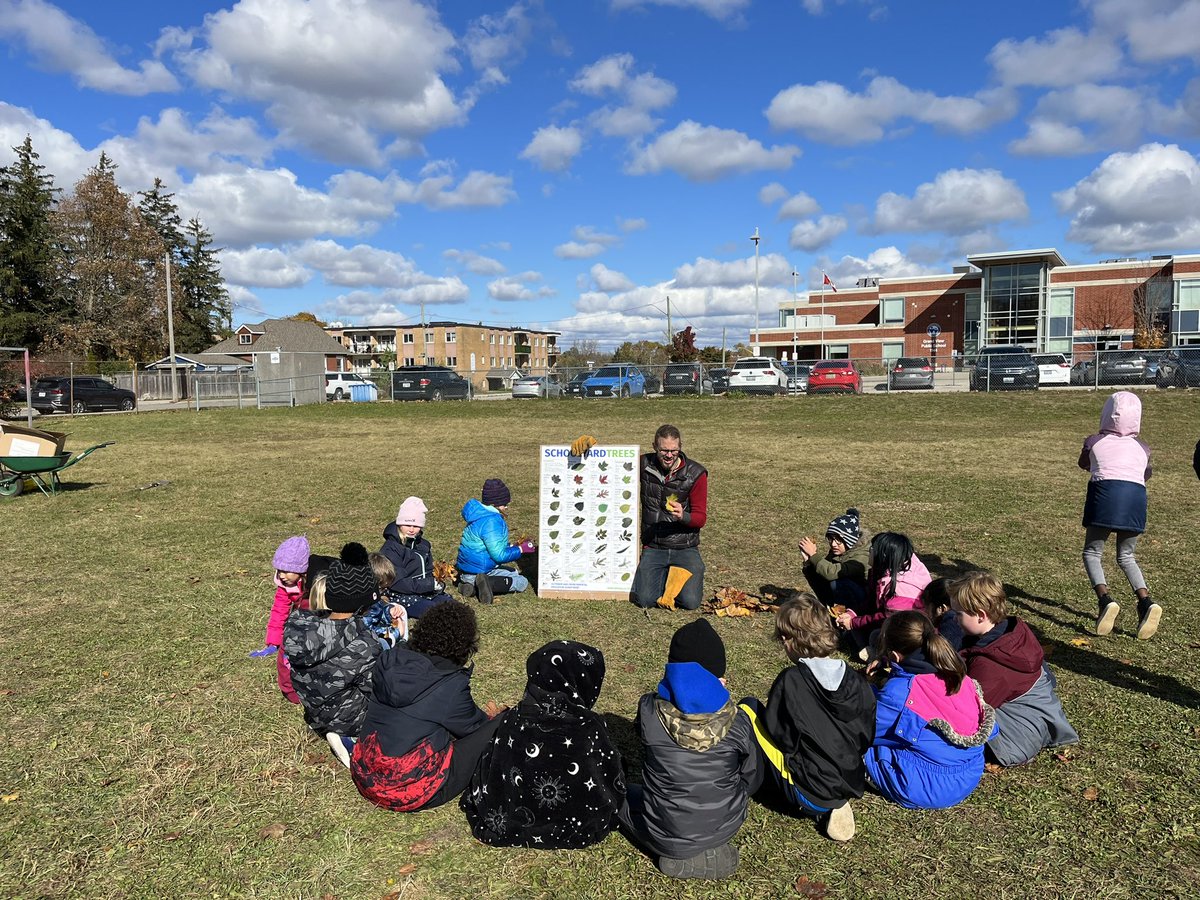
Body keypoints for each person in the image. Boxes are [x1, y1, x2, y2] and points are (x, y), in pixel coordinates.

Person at [619, 619, 758, 878]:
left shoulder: (649, 709)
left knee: (621, 795)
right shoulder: (739, 721)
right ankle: (709, 848)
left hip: (664, 832)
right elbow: (751, 777)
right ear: (720, 679)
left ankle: (676, 851)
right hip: (725, 824)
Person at [461, 640, 624, 850]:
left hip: (509, 818)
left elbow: (494, 765)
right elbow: (610, 779)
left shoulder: (513, 718)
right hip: (577, 826)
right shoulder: (589, 728)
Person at [739, 593, 875, 842]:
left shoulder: (792, 680)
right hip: (849, 779)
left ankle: (745, 784)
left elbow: (781, 737)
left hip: (806, 791)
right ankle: (835, 803)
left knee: (747, 709)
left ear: (788, 640)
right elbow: (866, 735)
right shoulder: (857, 681)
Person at [350, 602, 504, 811]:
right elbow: (473, 727)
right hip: (407, 789)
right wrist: (497, 719)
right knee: (498, 727)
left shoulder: (387, 660)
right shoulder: (450, 685)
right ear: (464, 645)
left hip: (366, 773)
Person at [863, 611, 997, 810]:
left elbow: (865, 730)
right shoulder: (957, 674)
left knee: (857, 745)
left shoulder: (901, 692)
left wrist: (868, 691)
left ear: (894, 656)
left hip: (928, 786)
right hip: (969, 773)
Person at [950, 572, 1078, 767]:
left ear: (981, 615)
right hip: (1038, 722)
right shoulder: (1011, 633)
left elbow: (968, 711)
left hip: (1015, 742)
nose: (954, 619)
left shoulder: (991, 665)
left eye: (958, 614)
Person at [284, 559, 383, 768]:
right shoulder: (363, 643)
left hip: (313, 707)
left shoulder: (297, 624)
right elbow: (376, 688)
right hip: (347, 716)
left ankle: (327, 726)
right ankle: (348, 737)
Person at [1079, 391, 1160, 639]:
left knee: (1092, 552)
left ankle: (1105, 600)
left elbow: (1084, 463)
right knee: (1126, 556)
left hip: (1105, 496)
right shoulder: (1142, 448)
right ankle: (1146, 601)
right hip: (1136, 499)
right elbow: (1146, 474)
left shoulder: (1094, 441)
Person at [632, 425, 709, 611]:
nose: (669, 455)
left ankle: (674, 574)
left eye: (674, 450)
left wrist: (684, 516)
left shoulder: (696, 473)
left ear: (680, 447)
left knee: (690, 602)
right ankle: (664, 573)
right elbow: (612, 464)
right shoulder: (642, 464)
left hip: (685, 547)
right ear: (654, 447)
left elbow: (700, 518)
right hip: (655, 546)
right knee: (644, 599)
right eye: (664, 450)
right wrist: (588, 449)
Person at [834, 531, 930, 656]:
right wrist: (852, 613)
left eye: (872, 550)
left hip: (906, 633)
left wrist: (854, 622)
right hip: (890, 621)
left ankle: (876, 655)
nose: (869, 553)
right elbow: (873, 600)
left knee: (873, 635)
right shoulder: (892, 567)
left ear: (882, 555)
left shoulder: (903, 588)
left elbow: (886, 618)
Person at [250, 535, 311, 704]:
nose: (282, 575)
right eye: (279, 570)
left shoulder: (314, 584)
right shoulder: (285, 585)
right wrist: (273, 641)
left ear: (302, 570)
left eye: (286, 571)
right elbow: (279, 610)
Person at [456, 478, 536, 605]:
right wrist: (521, 549)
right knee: (521, 581)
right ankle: (489, 585)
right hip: (483, 569)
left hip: (467, 570)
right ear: (496, 504)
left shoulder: (477, 514)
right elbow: (499, 555)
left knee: (512, 571)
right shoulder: (493, 521)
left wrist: (512, 546)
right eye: (505, 504)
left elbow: (488, 545)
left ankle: (470, 585)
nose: (507, 507)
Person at [379, 496, 455, 618]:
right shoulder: (391, 548)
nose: (411, 529)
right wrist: (429, 584)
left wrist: (438, 582)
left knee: (454, 608)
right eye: (407, 525)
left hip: (426, 591)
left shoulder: (424, 545)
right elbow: (399, 582)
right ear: (399, 524)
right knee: (435, 613)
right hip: (401, 594)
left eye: (416, 526)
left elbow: (430, 571)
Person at [798, 508, 870, 609]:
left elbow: (831, 573)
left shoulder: (862, 556)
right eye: (830, 539)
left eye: (838, 540)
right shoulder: (839, 551)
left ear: (850, 540)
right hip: (849, 599)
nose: (833, 544)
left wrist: (813, 554)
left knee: (838, 582)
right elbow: (822, 577)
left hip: (865, 604)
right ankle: (831, 611)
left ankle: (844, 616)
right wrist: (808, 563)